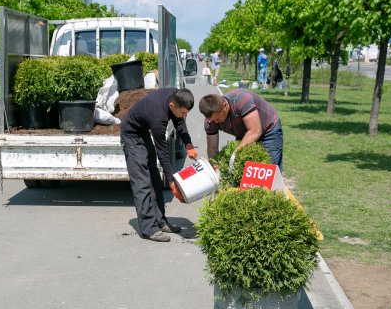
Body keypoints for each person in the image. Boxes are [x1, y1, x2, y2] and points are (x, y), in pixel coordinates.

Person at [121, 88, 198, 242]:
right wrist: (171, 181)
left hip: (143, 132)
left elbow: (180, 123)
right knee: (142, 183)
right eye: (183, 112)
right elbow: (162, 152)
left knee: (155, 179)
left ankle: (160, 221)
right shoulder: (158, 117)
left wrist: (188, 144)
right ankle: (149, 229)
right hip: (131, 136)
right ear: (172, 106)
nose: (185, 116)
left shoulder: (177, 96)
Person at [198, 89, 284, 171]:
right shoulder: (211, 121)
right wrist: (215, 167)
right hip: (245, 133)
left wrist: (235, 154)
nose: (215, 122)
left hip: (268, 130)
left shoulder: (242, 100)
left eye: (217, 118)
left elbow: (255, 131)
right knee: (242, 169)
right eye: (212, 120)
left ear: (225, 106)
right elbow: (212, 149)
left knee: (268, 170)